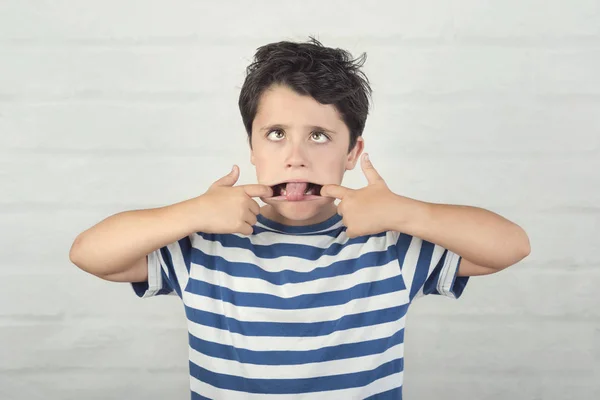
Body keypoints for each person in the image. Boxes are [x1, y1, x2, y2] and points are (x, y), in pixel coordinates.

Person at [69, 37, 531, 399]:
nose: (295, 157)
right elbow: (90, 255)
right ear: (251, 147)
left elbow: (510, 246)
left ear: (353, 152)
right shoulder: (203, 246)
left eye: (319, 136)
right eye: (275, 134)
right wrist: (193, 212)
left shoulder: (390, 247)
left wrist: (404, 212)